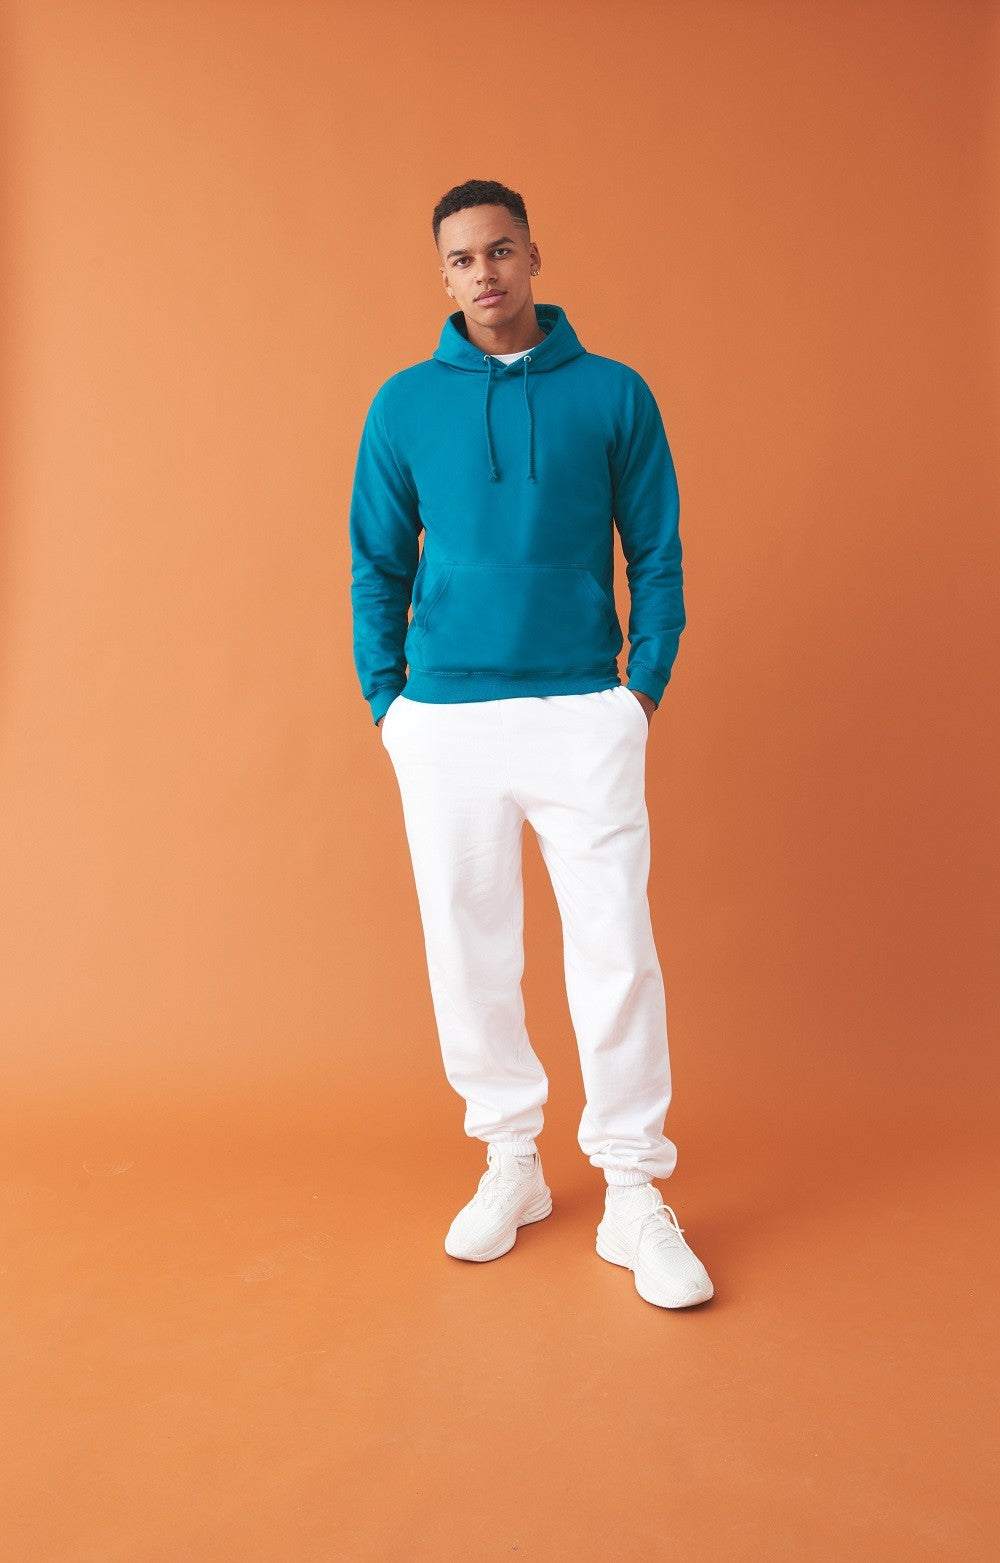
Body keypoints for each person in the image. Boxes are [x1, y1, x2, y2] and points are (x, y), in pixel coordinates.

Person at [349, 178, 713, 1309]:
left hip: (580, 711)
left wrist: (639, 690)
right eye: (462, 259)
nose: (485, 273)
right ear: (444, 276)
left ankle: (632, 1190)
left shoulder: (613, 393)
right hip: (445, 720)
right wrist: (388, 703)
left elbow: (656, 550)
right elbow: (377, 561)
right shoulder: (404, 404)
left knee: (615, 948)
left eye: (500, 251)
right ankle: (511, 1158)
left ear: (534, 257)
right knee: (468, 948)